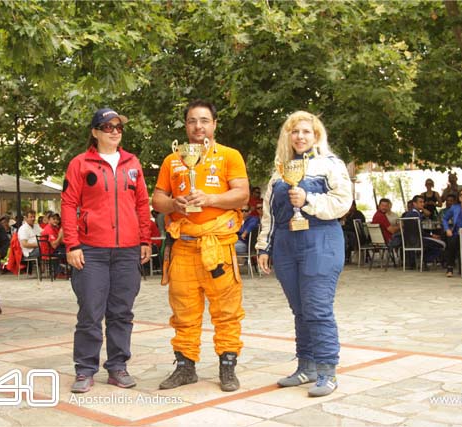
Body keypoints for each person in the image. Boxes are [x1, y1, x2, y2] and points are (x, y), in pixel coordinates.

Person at [152, 99, 249, 392]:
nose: (198, 126)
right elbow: (157, 199)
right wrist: (174, 204)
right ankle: (185, 367)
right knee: (183, 311)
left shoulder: (230, 156)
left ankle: (227, 367)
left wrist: (210, 199)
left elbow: (242, 195)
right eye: (192, 121)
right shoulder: (173, 160)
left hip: (218, 246)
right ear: (185, 126)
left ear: (214, 124)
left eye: (204, 120)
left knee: (227, 310)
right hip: (183, 245)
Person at [256, 111, 351, 398]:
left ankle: (327, 371)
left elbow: (343, 202)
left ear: (316, 135)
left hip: (321, 240)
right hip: (286, 244)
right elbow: (269, 213)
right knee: (300, 310)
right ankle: (306, 367)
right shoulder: (280, 171)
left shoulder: (330, 164)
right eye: (295, 131)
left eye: (306, 131)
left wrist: (308, 199)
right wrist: (264, 246)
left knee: (317, 308)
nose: (300, 136)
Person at [62, 107, 151, 394]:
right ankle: (85, 369)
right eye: (108, 127)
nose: (114, 131)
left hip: (127, 250)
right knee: (90, 311)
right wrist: (72, 244)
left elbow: (142, 203)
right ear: (95, 132)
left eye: (118, 127)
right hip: (92, 251)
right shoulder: (80, 163)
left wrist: (145, 239)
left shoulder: (132, 162)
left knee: (121, 312)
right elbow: (68, 204)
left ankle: (117, 366)